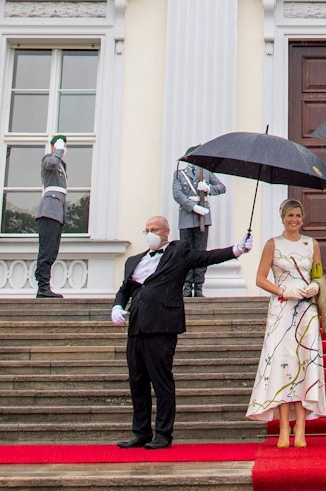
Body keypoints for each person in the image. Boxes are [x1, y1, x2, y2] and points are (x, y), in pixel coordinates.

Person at [111, 214, 252, 449]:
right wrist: (117, 305)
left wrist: (237, 249)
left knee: (161, 381)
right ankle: (141, 432)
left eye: (154, 229)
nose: (150, 234)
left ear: (166, 231)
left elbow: (207, 257)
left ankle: (163, 434)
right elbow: (126, 288)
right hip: (136, 326)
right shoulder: (134, 261)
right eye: (146, 230)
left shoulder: (178, 252)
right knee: (137, 381)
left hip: (163, 325)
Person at [248, 199, 326, 447]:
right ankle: (283, 427)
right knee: (283, 365)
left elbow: (318, 274)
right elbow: (260, 279)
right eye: (290, 215)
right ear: (282, 218)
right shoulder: (273, 244)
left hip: (306, 310)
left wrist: (316, 286)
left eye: (298, 216)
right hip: (283, 310)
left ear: (303, 219)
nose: (294, 220)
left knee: (304, 364)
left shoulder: (311, 244)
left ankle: (301, 428)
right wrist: (282, 291)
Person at [172, 157, 228, 298]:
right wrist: (193, 207)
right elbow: (177, 194)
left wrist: (208, 188)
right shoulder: (179, 173)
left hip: (203, 218)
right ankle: (186, 287)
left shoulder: (206, 173)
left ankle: (198, 287)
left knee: (201, 253)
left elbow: (222, 187)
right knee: (185, 253)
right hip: (187, 217)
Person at [35, 137, 70, 298]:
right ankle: (42, 287)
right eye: (60, 143)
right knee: (46, 251)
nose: (63, 147)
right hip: (49, 211)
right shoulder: (49, 159)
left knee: (52, 251)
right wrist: (58, 151)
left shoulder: (62, 166)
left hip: (57, 212)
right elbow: (51, 164)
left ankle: (45, 286)